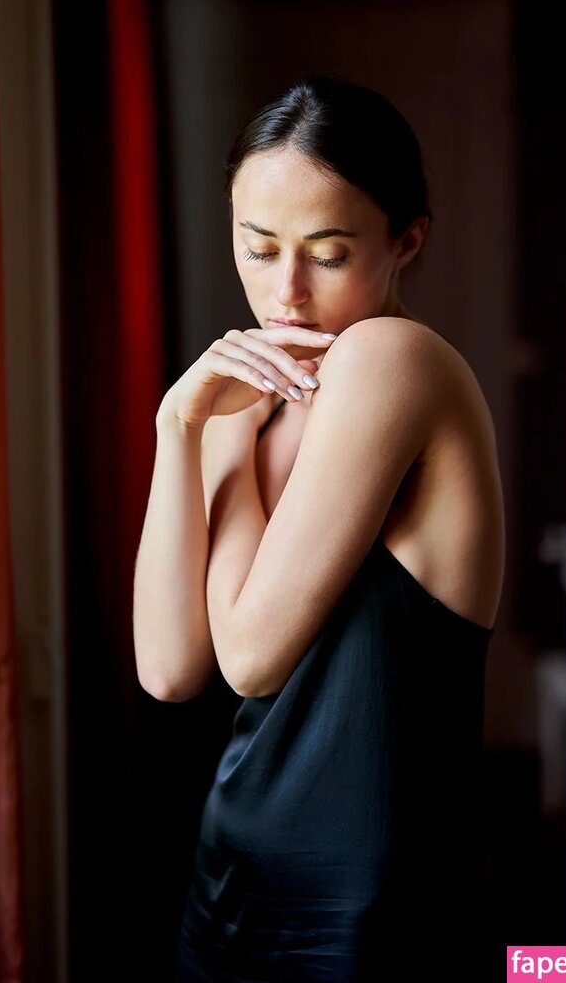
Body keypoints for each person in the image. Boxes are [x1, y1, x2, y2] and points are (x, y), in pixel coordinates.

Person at [132, 73, 505, 981]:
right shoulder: (247, 401)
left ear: (405, 241)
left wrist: (220, 431)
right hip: (229, 875)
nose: (286, 293)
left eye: (328, 254)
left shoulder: (392, 360)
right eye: (258, 248)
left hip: (369, 904)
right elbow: (169, 669)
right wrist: (180, 425)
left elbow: (248, 659)